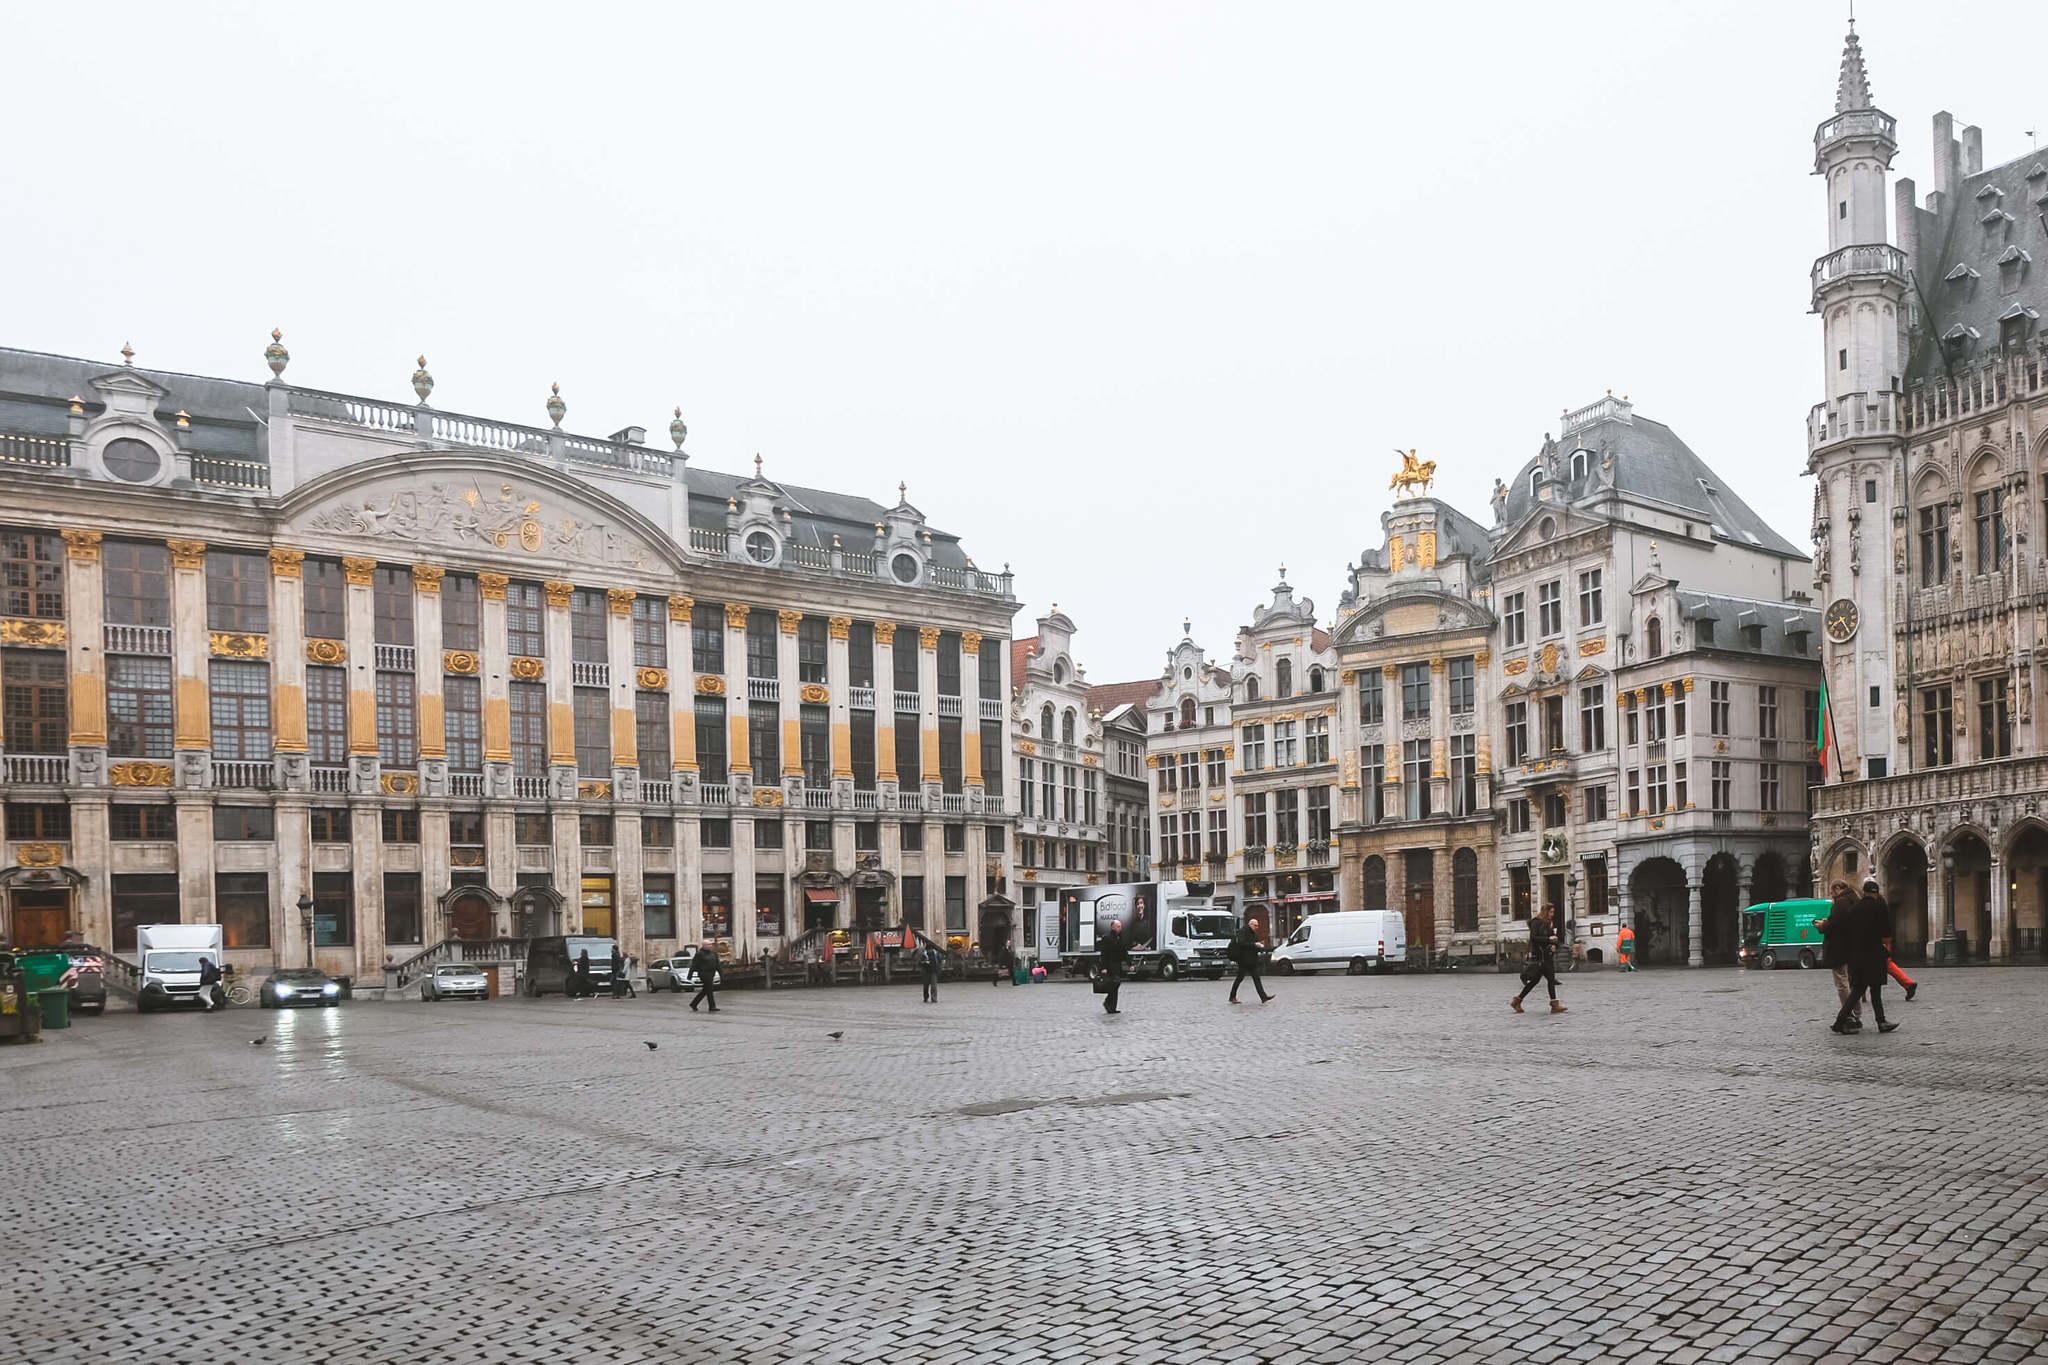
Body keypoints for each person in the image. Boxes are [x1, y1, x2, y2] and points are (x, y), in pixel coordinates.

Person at [1834, 876, 1899, 1035]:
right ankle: (1881, 1022)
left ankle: (1839, 1020)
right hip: (1873, 953)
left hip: (1856, 955)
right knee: (1875, 990)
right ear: (1875, 893)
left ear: (1863, 892)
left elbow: (1846, 930)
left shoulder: (1854, 908)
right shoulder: (1879, 906)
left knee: (1857, 990)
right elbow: (1886, 932)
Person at [1818, 879, 1860, 1031]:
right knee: (1850, 982)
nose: (1832, 895)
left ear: (1837, 889)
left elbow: (1834, 924)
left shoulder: (1841, 902)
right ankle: (1856, 1014)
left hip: (1839, 948)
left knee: (1842, 983)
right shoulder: (1854, 900)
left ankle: (1848, 1015)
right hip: (1851, 947)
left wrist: (1822, 925)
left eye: (1832, 892)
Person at [1511, 908, 1566, 1013]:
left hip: (1547, 955)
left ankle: (1517, 1001)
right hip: (1540, 956)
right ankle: (1554, 1005)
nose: (1552, 914)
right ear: (1545, 912)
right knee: (1546, 980)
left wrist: (1555, 944)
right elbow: (1534, 938)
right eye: (1551, 912)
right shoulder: (1536, 923)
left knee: (1542, 980)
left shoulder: (1548, 923)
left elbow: (1553, 937)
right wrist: (1548, 940)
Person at [1226, 919, 1273, 1004]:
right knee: (1239, 978)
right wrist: (1254, 944)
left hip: (1252, 960)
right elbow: (1242, 943)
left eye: (1257, 925)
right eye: (1255, 925)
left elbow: (1255, 943)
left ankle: (1263, 997)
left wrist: (1259, 945)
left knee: (1256, 978)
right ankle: (1232, 996)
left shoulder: (1253, 933)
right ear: (1250, 924)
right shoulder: (1243, 931)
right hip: (1244, 960)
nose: (1257, 927)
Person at [1097, 917, 1129, 1015]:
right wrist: (1103, 968)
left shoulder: (1120, 937)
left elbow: (1124, 952)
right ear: (1113, 927)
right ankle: (1108, 1002)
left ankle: (1112, 1007)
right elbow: (1104, 954)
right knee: (1115, 983)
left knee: (1116, 986)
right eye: (1118, 927)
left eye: (1121, 927)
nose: (1120, 928)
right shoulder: (1107, 938)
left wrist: (1130, 963)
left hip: (1117, 966)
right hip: (1109, 966)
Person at [688, 942, 720, 1012]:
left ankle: (694, 1003)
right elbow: (694, 965)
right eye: (709, 944)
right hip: (703, 973)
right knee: (709, 989)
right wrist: (690, 975)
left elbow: (717, 964)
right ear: (704, 946)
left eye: (711, 944)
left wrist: (721, 973)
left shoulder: (713, 954)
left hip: (711, 973)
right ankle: (712, 1006)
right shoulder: (699, 954)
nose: (710, 946)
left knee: (706, 990)